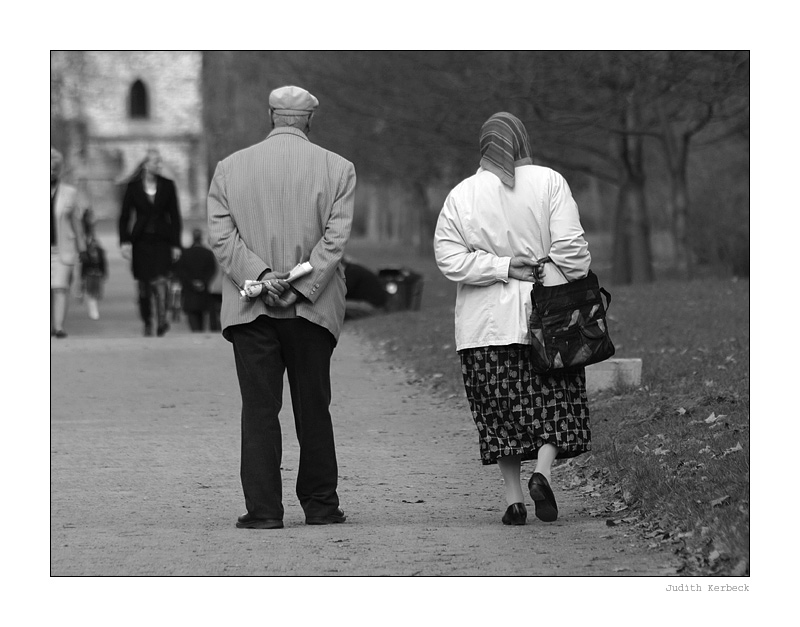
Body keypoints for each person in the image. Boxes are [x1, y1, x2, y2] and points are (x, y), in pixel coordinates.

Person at [208, 85, 356, 530]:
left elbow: (221, 237)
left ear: (271, 116)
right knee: (314, 407)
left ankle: (264, 510)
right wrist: (299, 283)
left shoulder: (229, 169)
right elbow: (335, 239)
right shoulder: (339, 169)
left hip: (251, 307)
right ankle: (320, 505)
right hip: (313, 308)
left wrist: (264, 276)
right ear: (309, 120)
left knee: (258, 409)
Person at [433, 112, 592, 525]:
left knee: (501, 412)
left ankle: (514, 501)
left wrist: (500, 267)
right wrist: (550, 272)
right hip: (549, 320)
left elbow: (449, 258)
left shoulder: (461, 195)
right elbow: (573, 251)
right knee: (555, 403)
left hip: (483, 327)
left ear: (484, 146)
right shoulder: (549, 182)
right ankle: (542, 473)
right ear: (522, 141)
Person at [118, 148, 182, 337]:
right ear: (146, 164)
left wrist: (176, 244)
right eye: (155, 162)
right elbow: (124, 216)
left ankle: (162, 320)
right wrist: (125, 241)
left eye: (160, 162)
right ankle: (147, 320)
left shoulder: (168, 185)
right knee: (145, 286)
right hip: (141, 243)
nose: (159, 165)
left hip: (162, 241)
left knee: (162, 280)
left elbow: (175, 216)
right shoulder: (133, 187)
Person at [51, 147, 87, 338]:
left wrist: (82, 248)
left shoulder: (69, 193)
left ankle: (58, 327)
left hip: (62, 248)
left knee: (59, 287)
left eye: (54, 169)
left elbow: (77, 222)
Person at [174, 228, 218, 332]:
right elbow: (212, 270)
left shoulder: (185, 254)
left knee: (192, 314)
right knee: (202, 314)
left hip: (189, 291)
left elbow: (181, 271)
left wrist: (191, 282)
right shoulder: (208, 253)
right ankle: (200, 331)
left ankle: (196, 331)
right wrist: (203, 282)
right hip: (203, 291)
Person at [79, 210, 108, 321]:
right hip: (88, 267)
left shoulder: (93, 238)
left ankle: (87, 298)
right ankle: (90, 304)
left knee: (95, 292)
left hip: (94, 268)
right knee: (91, 290)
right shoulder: (83, 231)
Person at [342, 255, 388, 319]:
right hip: (375, 306)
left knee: (335, 304)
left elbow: (342, 293)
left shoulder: (351, 272)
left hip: (372, 307)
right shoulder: (354, 269)